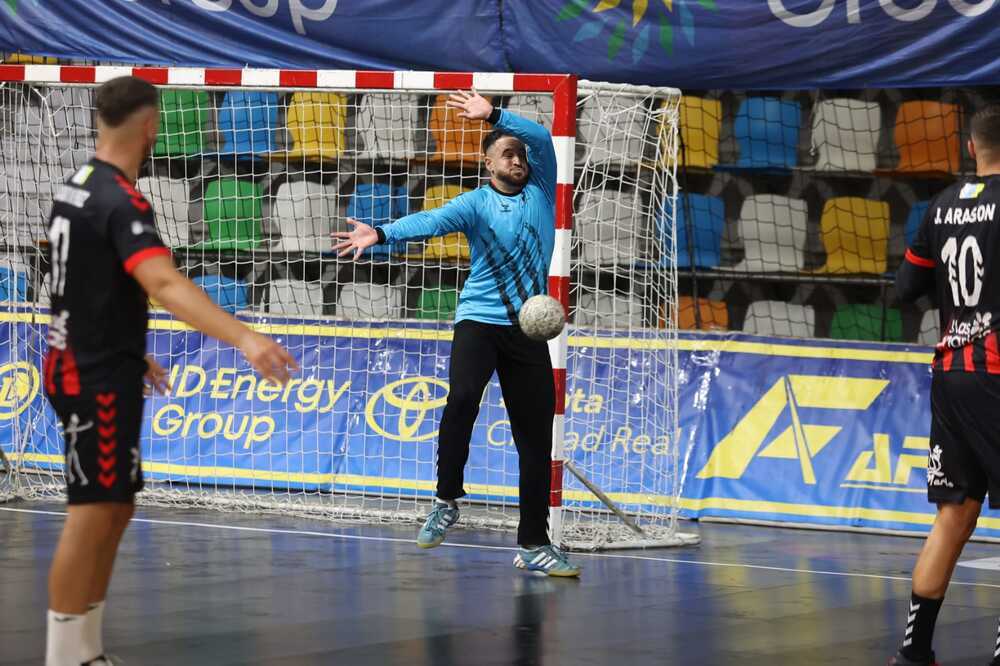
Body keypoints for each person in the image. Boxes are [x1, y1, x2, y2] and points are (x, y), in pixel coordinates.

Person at [43, 75, 297, 666]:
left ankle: (86, 650)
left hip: (94, 361)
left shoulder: (75, 186)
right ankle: (64, 656)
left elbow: (77, 284)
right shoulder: (120, 199)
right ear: (151, 126)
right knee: (91, 511)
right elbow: (160, 281)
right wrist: (245, 337)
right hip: (91, 376)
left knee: (117, 503)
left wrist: (132, 346)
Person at [333, 90, 579, 577]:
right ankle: (446, 499)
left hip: (527, 330)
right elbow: (430, 220)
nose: (518, 159)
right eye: (506, 153)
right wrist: (378, 234)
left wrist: (497, 115)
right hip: (479, 321)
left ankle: (533, 543)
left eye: (519, 155)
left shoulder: (542, 189)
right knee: (463, 398)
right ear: (487, 163)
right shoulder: (476, 204)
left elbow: (541, 137)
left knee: (534, 440)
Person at [891, 104, 1000, 666]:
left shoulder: (940, 205)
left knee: (954, 514)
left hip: (950, 371)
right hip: (997, 376)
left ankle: (913, 653)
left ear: (969, 148)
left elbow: (904, 288)